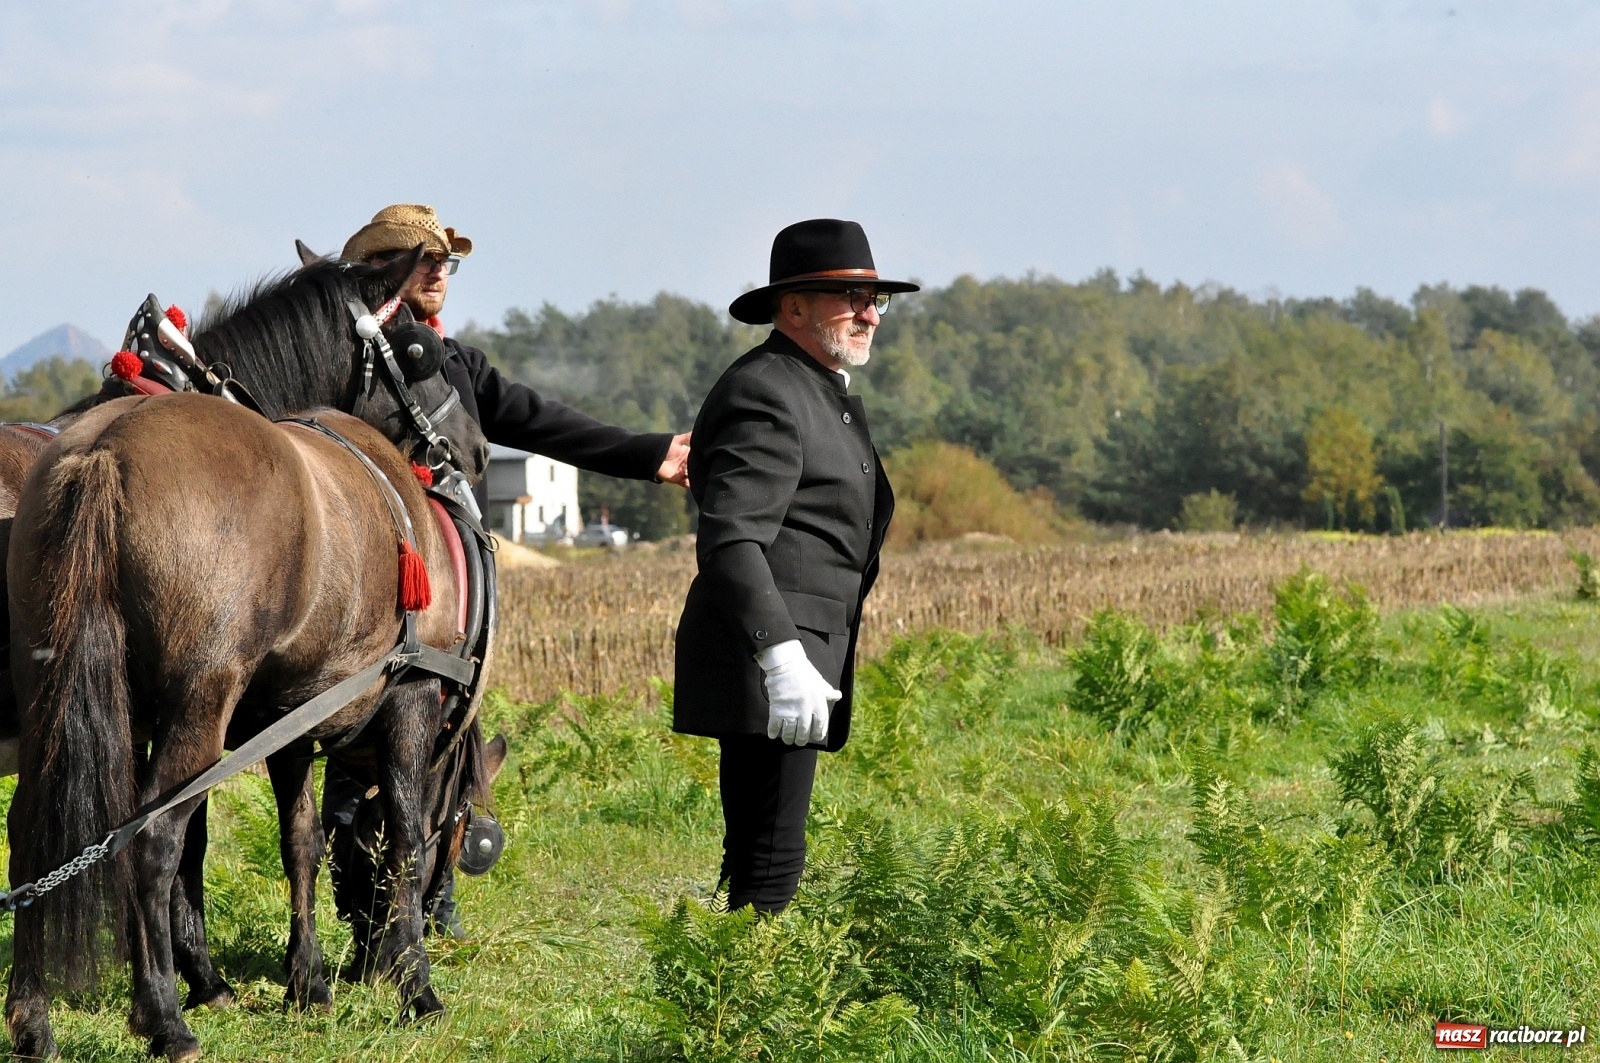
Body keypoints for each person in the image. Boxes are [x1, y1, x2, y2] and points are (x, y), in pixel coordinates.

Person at [324, 204, 691, 938]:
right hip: (366, 566)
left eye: (446, 261)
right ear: (378, 269)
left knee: (451, 723)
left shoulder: (457, 362)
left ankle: (433, 893)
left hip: (452, 580)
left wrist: (650, 454)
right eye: (421, 257)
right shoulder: (349, 352)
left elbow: (539, 419)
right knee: (347, 731)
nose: (439, 271)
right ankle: (358, 898)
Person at [673, 218, 913, 912]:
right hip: (773, 656)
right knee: (772, 858)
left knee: (759, 848)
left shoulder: (814, 385)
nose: (869, 314)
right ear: (794, 306)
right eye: (848, 297)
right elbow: (732, 540)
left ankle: (729, 992)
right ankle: (748, 1005)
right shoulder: (768, 390)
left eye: (876, 300)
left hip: (797, 655)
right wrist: (780, 656)